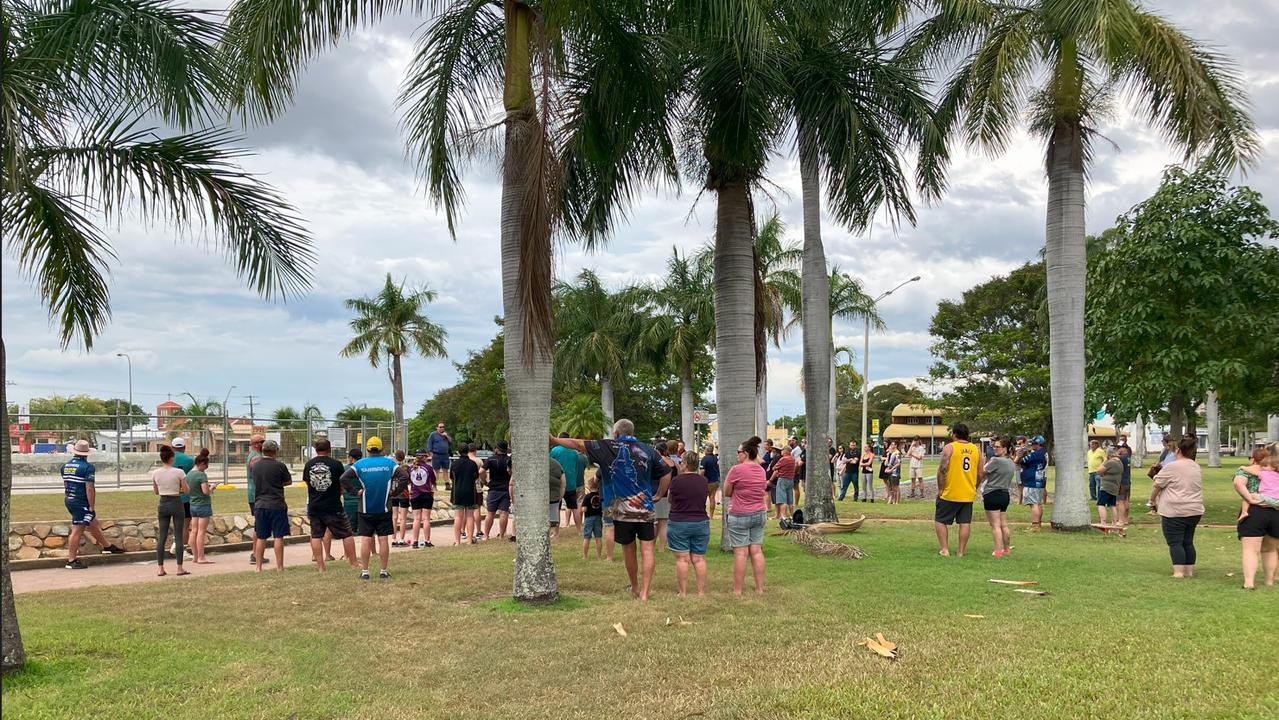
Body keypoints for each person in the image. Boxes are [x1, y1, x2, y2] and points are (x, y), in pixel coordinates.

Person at [550, 419, 671, 601]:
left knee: (628, 549)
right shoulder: (648, 450)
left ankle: (635, 587)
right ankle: (645, 592)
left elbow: (577, 443)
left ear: (616, 434)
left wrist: (554, 440)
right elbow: (667, 471)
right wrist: (659, 494)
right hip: (645, 508)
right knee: (647, 550)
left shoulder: (608, 446)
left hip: (620, 510)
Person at [61, 440, 125, 568]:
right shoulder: (87, 467)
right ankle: (71, 560)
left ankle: (107, 546)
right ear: (86, 453)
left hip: (69, 499)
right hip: (81, 501)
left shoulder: (65, 466)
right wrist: (91, 506)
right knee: (77, 529)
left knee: (93, 523)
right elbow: (89, 488)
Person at [341, 436, 397, 579]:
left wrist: (355, 492)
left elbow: (343, 479)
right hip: (383, 508)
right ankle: (383, 571)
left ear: (367, 449)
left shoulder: (360, 464)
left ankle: (365, 571)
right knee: (383, 539)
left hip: (365, 508)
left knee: (366, 539)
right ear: (381, 449)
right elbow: (403, 476)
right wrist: (394, 492)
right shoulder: (390, 463)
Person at [1150, 434, 1204, 578]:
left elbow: (1157, 484)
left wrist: (1152, 501)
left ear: (1179, 450)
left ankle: (1178, 572)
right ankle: (1189, 571)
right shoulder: (1196, 466)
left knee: (1175, 542)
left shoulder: (1171, 467)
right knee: (1188, 541)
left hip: (1174, 510)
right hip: (1194, 509)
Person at [303, 438, 356, 571]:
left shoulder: (308, 464)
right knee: (347, 534)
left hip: (315, 505)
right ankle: (354, 563)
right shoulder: (336, 464)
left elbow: (308, 483)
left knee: (316, 535)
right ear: (329, 449)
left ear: (316, 449)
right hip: (333, 505)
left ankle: (321, 566)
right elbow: (342, 483)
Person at [724, 436, 768, 596]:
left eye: (739, 452)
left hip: (739, 513)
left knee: (741, 553)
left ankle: (737, 590)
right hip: (759, 513)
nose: (737, 455)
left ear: (746, 453)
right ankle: (760, 588)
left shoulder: (736, 469)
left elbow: (727, 492)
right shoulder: (761, 471)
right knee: (756, 551)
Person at [1233, 445, 1279, 589]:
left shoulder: (1254, 470)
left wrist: (1250, 499)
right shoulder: (1277, 471)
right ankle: (1269, 581)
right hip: (1275, 512)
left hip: (1255, 511)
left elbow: (1238, 483)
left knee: (1250, 550)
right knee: (1270, 549)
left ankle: (1249, 583)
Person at [934, 423, 984, 557]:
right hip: (967, 493)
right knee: (965, 522)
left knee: (940, 520)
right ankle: (961, 551)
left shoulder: (949, 447)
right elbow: (980, 473)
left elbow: (942, 470)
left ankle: (944, 549)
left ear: (954, 434)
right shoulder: (976, 449)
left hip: (950, 492)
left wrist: (940, 489)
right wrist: (975, 487)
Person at [668, 449, 710, 596]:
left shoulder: (676, 481)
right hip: (700, 521)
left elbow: (670, 499)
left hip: (679, 521)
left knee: (682, 559)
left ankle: (683, 592)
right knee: (698, 559)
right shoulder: (703, 481)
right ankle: (701, 592)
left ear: (685, 464)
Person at [251, 439, 293, 572]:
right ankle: (279, 566)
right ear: (275, 451)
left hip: (260, 504)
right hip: (276, 504)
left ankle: (258, 567)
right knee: (278, 536)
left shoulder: (255, 465)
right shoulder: (280, 466)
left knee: (261, 536)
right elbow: (288, 482)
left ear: (263, 450)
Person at [152, 445, 190, 577]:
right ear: (172, 458)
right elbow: (186, 490)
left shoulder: (156, 473)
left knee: (162, 536)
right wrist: (178, 487)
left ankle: (160, 568)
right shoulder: (179, 472)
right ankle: (179, 567)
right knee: (178, 536)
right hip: (176, 502)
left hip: (163, 503)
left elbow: (156, 491)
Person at [982, 437, 1014, 557]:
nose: (995, 449)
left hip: (992, 493)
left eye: (998, 446)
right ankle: (1006, 549)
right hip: (1004, 494)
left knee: (995, 525)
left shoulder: (995, 460)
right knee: (1003, 524)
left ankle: (998, 550)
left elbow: (982, 472)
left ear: (1005, 449)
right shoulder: (1010, 462)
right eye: (993, 446)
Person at [186, 450, 215, 564]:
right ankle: (201, 557)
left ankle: (195, 556)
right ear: (201, 464)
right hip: (203, 505)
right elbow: (205, 491)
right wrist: (212, 487)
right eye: (206, 465)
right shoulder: (201, 475)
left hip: (193, 504)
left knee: (193, 531)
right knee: (201, 532)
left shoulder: (189, 474)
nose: (206, 468)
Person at [450, 442, 481, 545]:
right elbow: (476, 477)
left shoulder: (454, 464)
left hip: (457, 492)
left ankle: (457, 541)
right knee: (470, 516)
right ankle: (469, 540)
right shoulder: (472, 464)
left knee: (458, 516)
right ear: (468, 451)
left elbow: (451, 477)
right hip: (470, 492)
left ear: (459, 451)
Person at [482, 441, 513, 539]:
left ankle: (486, 535)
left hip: (493, 488)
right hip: (506, 488)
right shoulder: (509, 460)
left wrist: (484, 481)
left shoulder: (490, 459)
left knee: (490, 512)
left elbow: (481, 471)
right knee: (504, 512)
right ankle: (502, 534)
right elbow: (511, 473)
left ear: (497, 449)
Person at [1017, 435, 1048, 531]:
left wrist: (1020, 455)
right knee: (1038, 503)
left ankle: (1035, 525)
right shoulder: (1044, 453)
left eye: (1034, 444)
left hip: (1032, 481)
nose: (1032, 446)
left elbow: (1021, 461)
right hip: (1039, 480)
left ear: (1038, 444)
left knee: (1033, 503)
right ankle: (1038, 523)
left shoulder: (1036, 454)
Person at [550, 435, 581, 529]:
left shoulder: (555, 450)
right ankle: (579, 530)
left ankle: (556, 532)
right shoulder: (575, 452)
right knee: (574, 508)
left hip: (558, 483)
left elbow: (550, 463)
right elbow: (576, 466)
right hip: (571, 482)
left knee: (556, 509)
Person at [171, 437, 195, 557]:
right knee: (185, 525)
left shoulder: (168, 460)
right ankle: (182, 549)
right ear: (184, 448)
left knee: (174, 522)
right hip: (185, 496)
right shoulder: (190, 460)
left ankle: (175, 543)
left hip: (170, 496)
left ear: (172, 447)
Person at [408, 449, 437, 548]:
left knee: (416, 519)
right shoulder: (428, 467)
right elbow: (433, 480)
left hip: (415, 494)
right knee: (426, 519)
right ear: (424, 457)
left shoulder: (411, 468)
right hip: (426, 494)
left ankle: (415, 541)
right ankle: (427, 540)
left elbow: (408, 481)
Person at [244, 433, 265, 564]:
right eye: (261, 441)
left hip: (256, 495)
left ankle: (257, 553)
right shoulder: (256, 458)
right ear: (255, 444)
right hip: (257, 495)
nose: (262, 444)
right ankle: (255, 554)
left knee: (259, 525)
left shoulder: (255, 456)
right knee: (259, 526)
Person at [652, 441, 675, 550]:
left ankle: (652, 545)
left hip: (656, 493)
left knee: (655, 522)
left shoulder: (656, 462)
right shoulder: (673, 463)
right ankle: (662, 547)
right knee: (664, 522)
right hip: (669, 494)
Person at [1096, 446, 1124, 526]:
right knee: (1112, 505)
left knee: (1101, 504)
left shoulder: (1110, 462)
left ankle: (1103, 522)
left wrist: (1105, 460)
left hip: (1106, 487)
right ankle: (1114, 523)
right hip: (1115, 486)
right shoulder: (1119, 462)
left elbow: (1099, 470)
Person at [768, 444, 797, 522]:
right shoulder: (792, 459)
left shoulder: (783, 459)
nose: (781, 451)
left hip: (782, 480)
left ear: (785, 451)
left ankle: (783, 516)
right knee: (790, 500)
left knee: (782, 499)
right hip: (790, 480)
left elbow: (774, 468)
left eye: (782, 450)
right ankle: (791, 515)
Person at [390, 450, 412, 547]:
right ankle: (401, 539)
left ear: (395, 457)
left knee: (394, 517)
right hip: (404, 493)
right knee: (403, 518)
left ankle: (393, 539)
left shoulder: (392, 467)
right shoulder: (406, 468)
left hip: (394, 493)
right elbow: (408, 481)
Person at [342, 447, 363, 537]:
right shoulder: (363, 468)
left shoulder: (345, 469)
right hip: (362, 502)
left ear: (350, 457)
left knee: (350, 530)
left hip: (348, 502)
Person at [581, 476, 604, 560]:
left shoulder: (587, 497)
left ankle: (585, 556)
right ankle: (598, 556)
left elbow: (584, 509)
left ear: (589, 486)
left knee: (587, 537)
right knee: (598, 537)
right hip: (598, 517)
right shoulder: (600, 496)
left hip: (588, 518)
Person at [428, 422, 453, 489]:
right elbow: (430, 445)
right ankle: (434, 485)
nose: (442, 428)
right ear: (437, 428)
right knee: (436, 470)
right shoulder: (433, 435)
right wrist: (431, 454)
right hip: (436, 455)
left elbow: (451, 442)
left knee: (445, 470)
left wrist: (446, 436)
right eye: (440, 427)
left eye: (443, 427)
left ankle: (447, 484)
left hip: (445, 455)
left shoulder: (445, 435)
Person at [699, 444, 721, 519]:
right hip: (715, 481)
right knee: (712, 498)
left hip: (706, 482)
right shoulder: (715, 458)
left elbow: (702, 471)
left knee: (703, 498)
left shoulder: (704, 459)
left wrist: (698, 478)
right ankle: (711, 516)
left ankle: (703, 514)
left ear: (706, 450)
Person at [1116, 435, 1133, 525]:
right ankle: (1125, 519)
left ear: (1124, 448)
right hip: (1127, 481)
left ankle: (1121, 520)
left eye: (1119, 448)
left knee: (1120, 501)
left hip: (1122, 482)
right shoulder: (1127, 457)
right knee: (1126, 501)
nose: (1118, 449)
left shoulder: (1121, 458)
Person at [548, 455, 566, 539]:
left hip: (539, 497)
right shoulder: (556, 464)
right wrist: (560, 497)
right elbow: (563, 482)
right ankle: (556, 533)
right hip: (554, 495)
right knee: (555, 515)